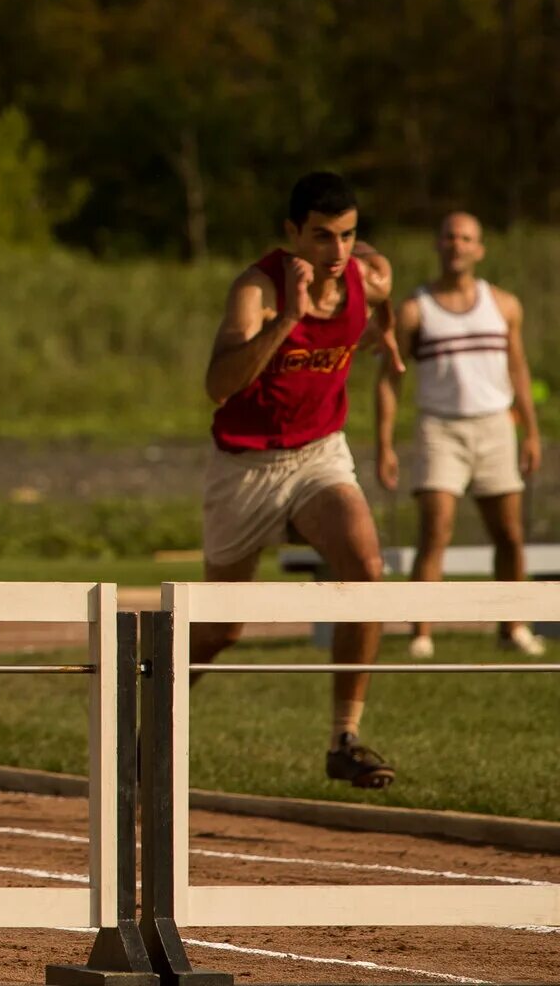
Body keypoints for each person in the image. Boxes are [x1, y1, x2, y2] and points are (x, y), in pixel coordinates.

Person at [195, 171, 400, 789]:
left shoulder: (369, 272)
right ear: (291, 234)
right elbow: (218, 385)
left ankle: (344, 738)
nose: (337, 253)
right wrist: (288, 319)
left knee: (366, 567)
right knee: (221, 629)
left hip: (318, 454)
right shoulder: (254, 290)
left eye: (347, 236)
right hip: (246, 465)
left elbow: (384, 292)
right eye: (321, 237)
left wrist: (385, 330)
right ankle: (139, 710)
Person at [375, 212, 544, 658]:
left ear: (479, 248)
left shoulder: (503, 305)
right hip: (440, 428)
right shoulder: (416, 309)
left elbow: (518, 370)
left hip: (494, 425)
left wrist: (530, 431)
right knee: (435, 532)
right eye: (449, 236)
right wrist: (385, 442)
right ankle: (421, 634)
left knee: (509, 534)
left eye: (466, 238)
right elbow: (390, 377)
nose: (457, 245)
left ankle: (514, 626)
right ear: (438, 243)